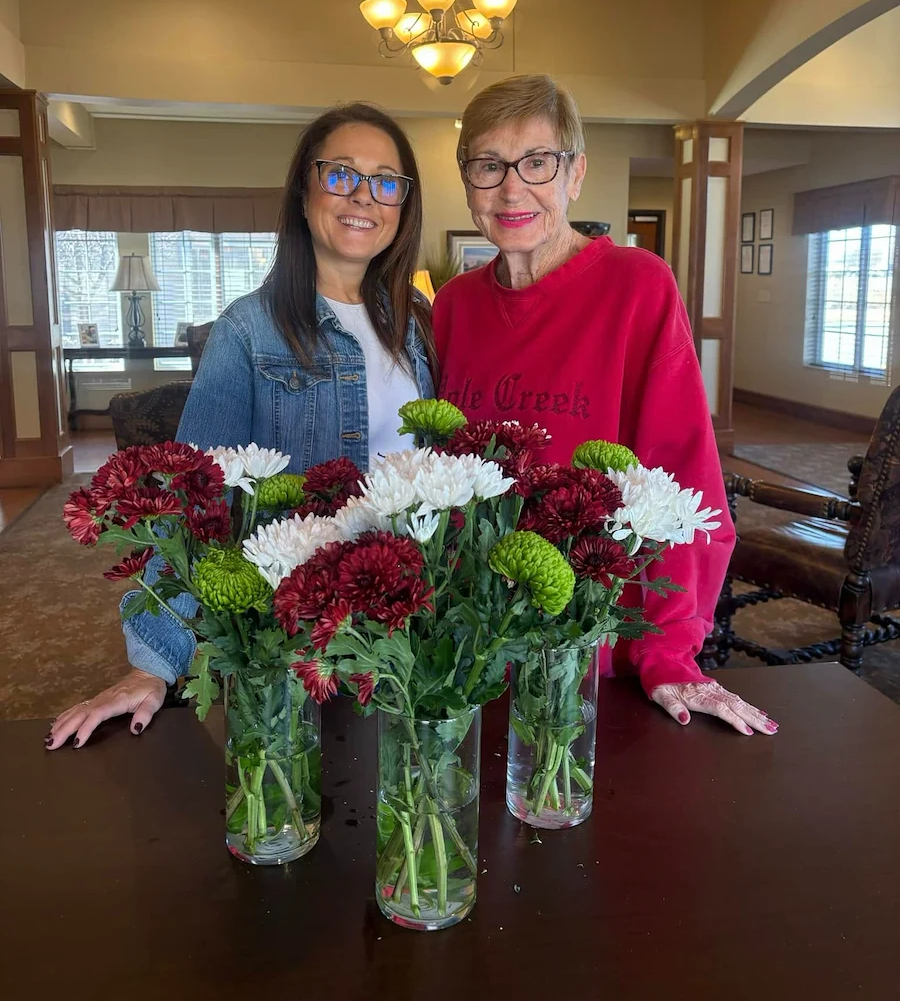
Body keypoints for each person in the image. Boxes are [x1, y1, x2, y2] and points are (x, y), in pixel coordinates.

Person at [48, 103, 436, 749]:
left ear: (402, 204)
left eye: (385, 181)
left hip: (399, 633)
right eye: (341, 174)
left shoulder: (414, 325)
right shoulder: (247, 333)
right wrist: (152, 662)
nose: (363, 196)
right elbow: (192, 500)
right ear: (304, 190)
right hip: (293, 638)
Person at [432, 74, 777, 737]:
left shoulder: (637, 285)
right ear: (468, 179)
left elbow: (681, 480)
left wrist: (669, 652)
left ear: (576, 173)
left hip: (592, 642)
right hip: (477, 641)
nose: (512, 188)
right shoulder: (455, 305)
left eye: (537, 162)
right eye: (488, 165)